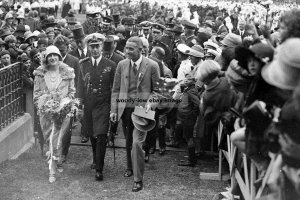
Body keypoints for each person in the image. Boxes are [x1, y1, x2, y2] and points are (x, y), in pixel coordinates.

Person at [110, 36, 160, 192]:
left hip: (142, 111)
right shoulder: (121, 64)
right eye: (126, 48)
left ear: (141, 50)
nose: (127, 51)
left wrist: (149, 105)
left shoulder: (152, 65)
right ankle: (130, 166)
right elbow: (116, 90)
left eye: (131, 49)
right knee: (129, 141)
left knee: (137, 143)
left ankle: (138, 179)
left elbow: (158, 91)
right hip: (125, 109)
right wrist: (113, 110)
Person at [77, 33, 116, 181]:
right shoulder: (83, 64)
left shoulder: (110, 65)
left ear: (102, 46)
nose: (94, 50)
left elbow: (114, 88)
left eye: (97, 46)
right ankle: (95, 158)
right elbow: (80, 86)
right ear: (88, 47)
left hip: (103, 104)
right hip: (88, 105)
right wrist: (79, 106)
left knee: (101, 135)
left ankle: (99, 168)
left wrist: (113, 108)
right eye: (91, 47)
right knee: (92, 134)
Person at [33, 45, 75, 183]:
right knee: (48, 138)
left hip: (62, 112)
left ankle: (52, 169)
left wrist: (64, 105)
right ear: (46, 58)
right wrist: (45, 104)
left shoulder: (68, 73)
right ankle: (59, 159)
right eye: (49, 55)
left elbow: (72, 92)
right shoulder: (40, 73)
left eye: (55, 55)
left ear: (59, 56)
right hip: (45, 113)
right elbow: (37, 94)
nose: (52, 58)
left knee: (55, 139)